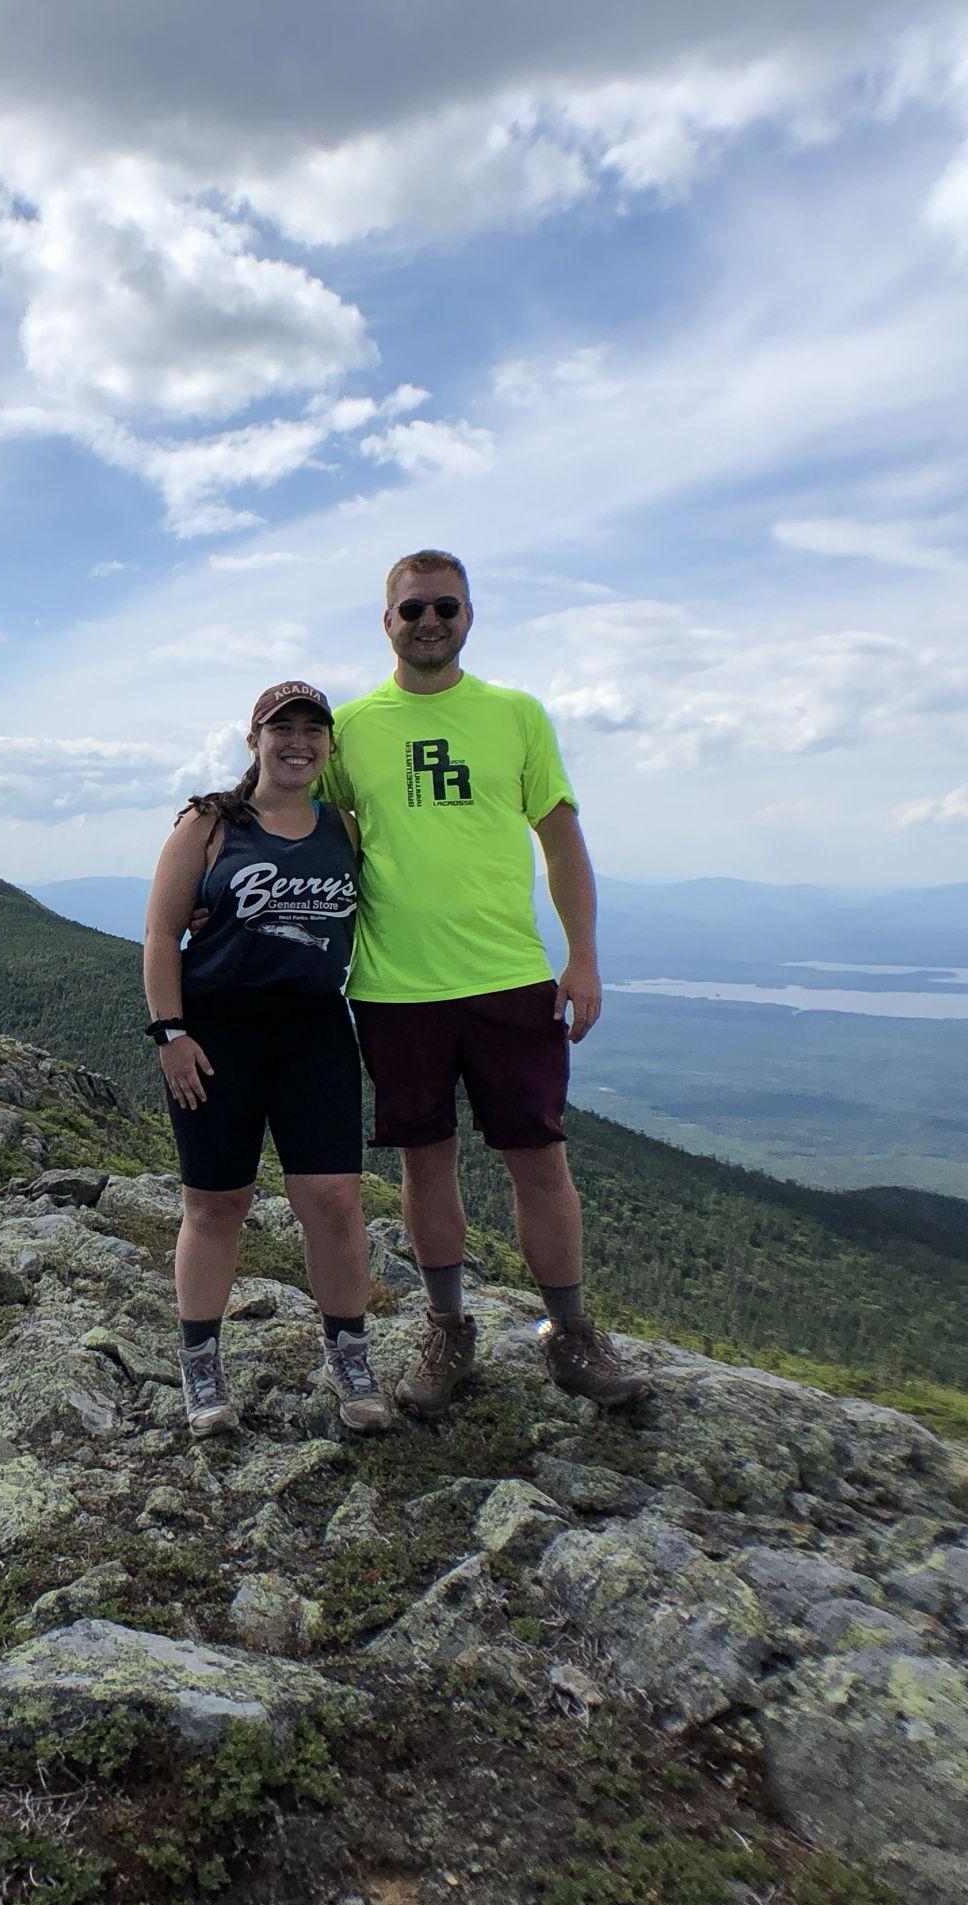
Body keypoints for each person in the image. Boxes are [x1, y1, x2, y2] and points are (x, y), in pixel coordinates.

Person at [317, 548, 652, 1414]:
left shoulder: (516, 716)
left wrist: (582, 957)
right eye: (413, 609)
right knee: (427, 1167)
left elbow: (562, 839)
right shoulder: (349, 728)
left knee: (539, 1159)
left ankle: (572, 1337)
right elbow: (307, 833)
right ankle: (446, 1328)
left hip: (509, 978)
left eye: (447, 609)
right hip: (394, 987)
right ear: (385, 620)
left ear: (470, 617)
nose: (430, 622)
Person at [142, 681, 392, 1438]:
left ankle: (347, 1353)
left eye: (313, 730)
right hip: (218, 1032)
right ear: (253, 738)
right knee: (217, 1203)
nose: (298, 742)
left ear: (329, 746)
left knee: (334, 1201)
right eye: (282, 728)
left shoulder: (344, 826)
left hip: (314, 1029)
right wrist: (169, 1033)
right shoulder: (210, 823)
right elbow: (159, 933)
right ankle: (201, 1363)